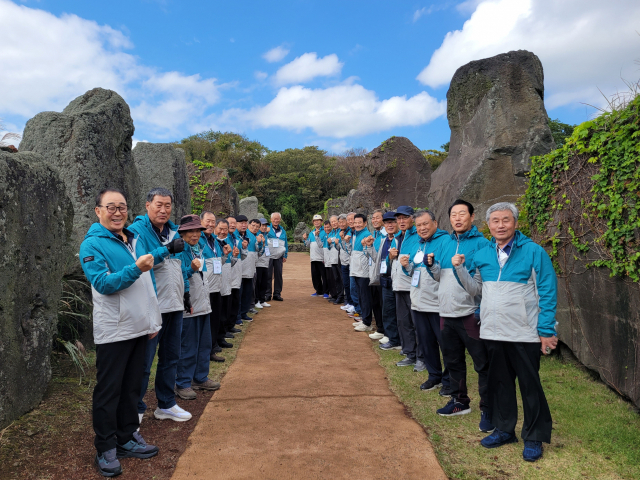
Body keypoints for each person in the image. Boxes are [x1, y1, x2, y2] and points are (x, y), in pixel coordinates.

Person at [451, 202, 557, 462]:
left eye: (506, 220)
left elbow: (547, 291)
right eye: (495, 221)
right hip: (493, 332)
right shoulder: (483, 253)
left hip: (525, 333)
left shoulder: (533, 252)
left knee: (530, 386)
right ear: (488, 225)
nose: (500, 225)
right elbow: (476, 290)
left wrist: (546, 330)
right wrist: (459, 269)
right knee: (500, 385)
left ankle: (533, 436)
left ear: (515, 223)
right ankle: (504, 429)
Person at [80, 188, 161, 477]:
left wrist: (152, 321)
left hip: (139, 327)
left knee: (131, 387)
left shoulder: (132, 239)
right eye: (110, 207)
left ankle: (126, 437)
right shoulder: (92, 245)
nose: (117, 212)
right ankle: (105, 446)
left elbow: (147, 284)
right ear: (98, 211)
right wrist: (135, 269)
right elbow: (103, 283)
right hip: (114, 331)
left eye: (122, 207)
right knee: (109, 391)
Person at [427, 199, 492, 432]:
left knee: (482, 364)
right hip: (446, 313)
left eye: (462, 214)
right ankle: (459, 401)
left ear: (472, 217)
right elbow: (438, 278)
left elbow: (480, 287)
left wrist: (459, 268)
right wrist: (432, 267)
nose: (457, 218)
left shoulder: (482, 244)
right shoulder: (445, 243)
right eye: (453, 214)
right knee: (453, 361)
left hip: (470, 314)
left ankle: (488, 409)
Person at [128, 188, 192, 424]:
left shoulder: (174, 231)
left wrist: (186, 294)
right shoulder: (136, 232)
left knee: (171, 356)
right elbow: (141, 263)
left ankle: (166, 404)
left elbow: (181, 266)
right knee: (144, 361)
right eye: (158, 205)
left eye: (167, 205)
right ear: (147, 205)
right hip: (151, 304)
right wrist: (166, 249)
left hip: (173, 304)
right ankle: (135, 407)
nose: (163, 210)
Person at [400, 210, 451, 396]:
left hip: (438, 303)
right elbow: (413, 272)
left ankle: (449, 380)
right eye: (419, 225)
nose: (422, 228)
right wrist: (406, 266)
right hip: (418, 302)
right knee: (426, 343)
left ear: (435, 223)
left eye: (425, 224)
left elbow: (444, 272)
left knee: (445, 345)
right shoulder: (417, 244)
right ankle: (434, 375)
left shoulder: (445, 242)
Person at [174, 215, 221, 401]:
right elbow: (178, 275)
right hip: (189, 304)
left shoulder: (198, 249)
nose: (195, 234)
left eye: (197, 231)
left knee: (204, 343)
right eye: (190, 231)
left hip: (203, 303)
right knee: (188, 345)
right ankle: (183, 382)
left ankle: (200, 377)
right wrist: (191, 269)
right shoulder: (179, 250)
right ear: (182, 233)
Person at [387, 206, 426, 371]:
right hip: (399, 285)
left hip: (414, 286)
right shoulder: (397, 237)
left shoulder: (418, 236)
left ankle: (422, 357)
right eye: (399, 219)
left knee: (418, 324)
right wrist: (391, 257)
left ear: (413, 218)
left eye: (405, 218)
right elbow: (394, 263)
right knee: (404, 322)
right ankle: (410, 353)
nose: (401, 221)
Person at [200, 211, 230, 362]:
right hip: (204, 288)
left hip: (216, 286)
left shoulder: (215, 242)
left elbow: (219, 264)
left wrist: (224, 255)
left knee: (215, 319)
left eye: (213, 222)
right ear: (200, 222)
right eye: (208, 221)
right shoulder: (198, 240)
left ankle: (212, 347)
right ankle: (207, 350)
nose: (210, 224)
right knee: (207, 321)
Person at [377, 212, 402, 350]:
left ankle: (400, 340)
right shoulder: (384, 240)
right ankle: (393, 338)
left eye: (392, 222)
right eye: (386, 223)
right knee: (388, 311)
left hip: (398, 280)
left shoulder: (400, 239)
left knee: (400, 313)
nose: (390, 225)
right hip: (385, 279)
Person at [350, 214, 375, 332]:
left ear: (365, 223)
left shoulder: (367, 235)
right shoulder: (356, 234)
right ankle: (364, 320)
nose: (357, 224)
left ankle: (367, 322)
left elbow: (367, 254)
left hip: (363, 272)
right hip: (356, 271)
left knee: (365, 298)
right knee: (360, 296)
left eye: (360, 222)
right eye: (355, 222)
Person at [235, 215, 262, 322]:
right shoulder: (234, 236)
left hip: (250, 269)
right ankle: (237, 316)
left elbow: (259, 251)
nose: (243, 225)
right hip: (238, 271)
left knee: (247, 293)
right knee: (238, 295)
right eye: (241, 223)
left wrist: (260, 243)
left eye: (245, 222)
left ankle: (243, 313)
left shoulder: (252, 237)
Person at [215, 219, 237, 348]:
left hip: (226, 280)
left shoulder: (227, 242)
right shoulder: (211, 242)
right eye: (220, 229)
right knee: (217, 313)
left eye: (225, 229)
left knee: (224, 311)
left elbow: (228, 262)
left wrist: (233, 256)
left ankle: (221, 337)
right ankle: (215, 341)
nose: (222, 232)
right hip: (215, 283)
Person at [366, 210, 385, 336]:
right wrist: (368, 246)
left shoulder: (385, 235)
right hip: (373, 274)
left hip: (382, 274)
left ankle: (383, 329)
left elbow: (379, 257)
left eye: (377, 217)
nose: (374, 220)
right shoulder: (374, 235)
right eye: (373, 218)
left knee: (382, 303)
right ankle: (380, 327)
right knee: (375, 302)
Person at [265, 212, 287, 301]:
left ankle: (277, 294)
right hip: (269, 255)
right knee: (268, 274)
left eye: (277, 219)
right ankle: (267, 294)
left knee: (278, 275)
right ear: (271, 219)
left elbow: (285, 243)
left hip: (279, 256)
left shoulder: (283, 231)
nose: (276, 220)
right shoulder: (267, 229)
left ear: (280, 220)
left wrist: (285, 254)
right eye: (274, 218)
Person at [226, 216, 243, 330]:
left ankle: (231, 324)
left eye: (234, 223)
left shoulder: (236, 237)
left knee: (235, 300)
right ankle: (226, 327)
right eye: (230, 223)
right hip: (227, 275)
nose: (232, 225)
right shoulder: (223, 238)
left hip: (236, 271)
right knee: (228, 302)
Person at [303, 214, 327, 297]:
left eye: (318, 220)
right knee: (315, 275)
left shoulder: (325, 231)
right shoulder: (311, 233)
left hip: (322, 258)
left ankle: (326, 292)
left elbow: (323, 244)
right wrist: (305, 239)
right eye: (315, 221)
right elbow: (308, 245)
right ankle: (318, 291)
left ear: (321, 221)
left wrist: (317, 236)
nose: (316, 222)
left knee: (324, 275)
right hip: (313, 257)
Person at [336, 214, 354, 312]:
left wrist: (343, 240)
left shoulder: (350, 232)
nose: (341, 224)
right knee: (346, 283)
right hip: (343, 261)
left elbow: (348, 249)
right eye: (340, 222)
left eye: (343, 221)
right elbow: (339, 248)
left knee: (351, 284)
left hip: (350, 262)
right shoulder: (340, 232)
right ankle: (348, 302)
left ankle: (352, 303)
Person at [328, 215, 345, 305]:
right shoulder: (331, 233)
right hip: (333, 259)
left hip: (340, 258)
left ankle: (341, 296)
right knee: (336, 278)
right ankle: (338, 295)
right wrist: (328, 242)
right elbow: (328, 247)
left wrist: (335, 243)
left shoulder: (341, 232)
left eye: (335, 221)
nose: (334, 223)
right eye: (332, 222)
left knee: (341, 278)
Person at [255, 219, 272, 308]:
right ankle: (256, 300)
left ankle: (262, 300)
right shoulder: (257, 236)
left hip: (266, 262)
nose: (265, 227)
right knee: (258, 282)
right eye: (263, 225)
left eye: (266, 225)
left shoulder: (266, 235)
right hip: (258, 263)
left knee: (264, 282)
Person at [322, 220, 337, 301]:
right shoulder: (326, 235)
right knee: (329, 278)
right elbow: (323, 247)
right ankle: (332, 294)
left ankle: (335, 294)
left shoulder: (333, 234)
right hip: (327, 260)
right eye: (325, 227)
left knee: (333, 278)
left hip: (333, 260)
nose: (327, 228)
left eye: (328, 227)